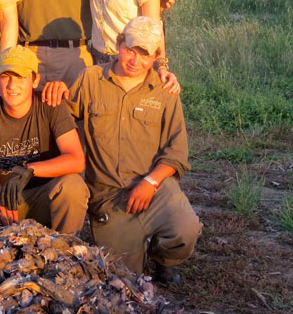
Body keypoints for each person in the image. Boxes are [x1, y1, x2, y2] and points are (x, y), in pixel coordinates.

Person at [43, 16, 201, 282]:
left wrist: (150, 182)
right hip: (109, 195)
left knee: (186, 230)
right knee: (121, 276)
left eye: (144, 54)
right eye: (130, 50)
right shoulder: (91, 79)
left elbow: (177, 153)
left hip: (155, 187)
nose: (135, 60)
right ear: (119, 44)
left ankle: (164, 258)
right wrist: (57, 91)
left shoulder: (165, 89)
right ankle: (132, 243)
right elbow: (62, 121)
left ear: (156, 57)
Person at [0, 46, 88, 238]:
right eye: (6, 77)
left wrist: (29, 169)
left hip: (42, 196)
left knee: (73, 186)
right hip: (3, 201)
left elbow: (76, 160)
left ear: (35, 80)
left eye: (20, 77)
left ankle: (63, 249)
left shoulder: (51, 106)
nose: (12, 86)